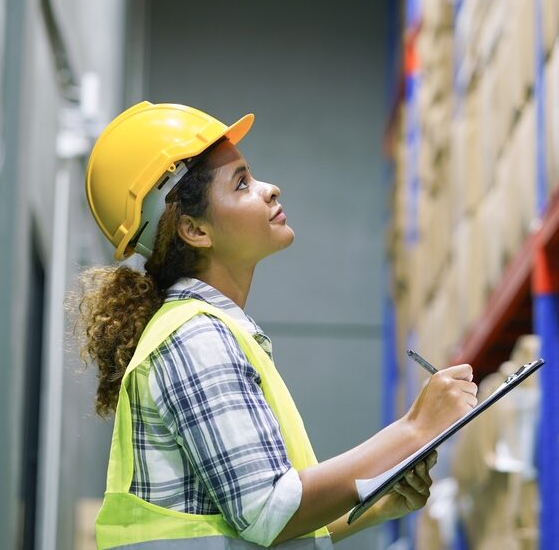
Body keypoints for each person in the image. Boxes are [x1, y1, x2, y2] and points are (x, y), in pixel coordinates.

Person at [75, 101, 478, 549]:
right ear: (194, 230)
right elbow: (269, 511)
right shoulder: (195, 338)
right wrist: (414, 430)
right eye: (242, 183)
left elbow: (255, 525)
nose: (269, 189)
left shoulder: (213, 332)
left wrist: (375, 505)